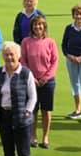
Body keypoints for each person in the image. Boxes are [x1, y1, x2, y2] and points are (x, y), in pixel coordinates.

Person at [0, 42, 37, 156]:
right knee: (8, 150)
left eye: (12, 54)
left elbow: (32, 96)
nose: (9, 57)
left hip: (21, 117)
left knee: (23, 152)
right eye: (6, 55)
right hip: (4, 115)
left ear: (18, 56)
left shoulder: (25, 73)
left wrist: (28, 112)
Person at [21, 16, 58, 148]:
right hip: (31, 81)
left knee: (46, 110)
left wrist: (45, 78)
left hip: (48, 82)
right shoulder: (26, 41)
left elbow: (54, 62)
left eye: (40, 25)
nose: (37, 27)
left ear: (44, 27)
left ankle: (45, 137)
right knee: (33, 110)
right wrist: (32, 78)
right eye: (35, 25)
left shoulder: (50, 42)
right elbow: (23, 61)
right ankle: (33, 136)